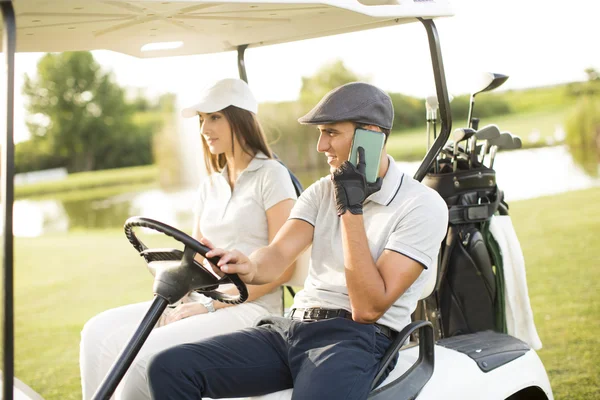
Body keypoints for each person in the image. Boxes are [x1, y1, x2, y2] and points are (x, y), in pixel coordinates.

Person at [146, 82, 449, 400]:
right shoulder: (321, 191)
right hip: (292, 326)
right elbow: (277, 254)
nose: (321, 146)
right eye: (320, 133)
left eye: (331, 132)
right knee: (168, 368)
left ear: (370, 135)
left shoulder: (422, 206)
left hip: (355, 339)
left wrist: (351, 207)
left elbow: (368, 308)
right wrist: (248, 265)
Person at [79, 78, 298, 400]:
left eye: (214, 117)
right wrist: (177, 286)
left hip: (249, 307)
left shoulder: (272, 175)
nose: (204, 129)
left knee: (143, 356)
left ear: (241, 118)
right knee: (97, 331)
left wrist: (211, 305)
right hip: (200, 300)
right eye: (201, 120)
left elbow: (284, 268)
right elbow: (194, 255)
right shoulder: (211, 184)